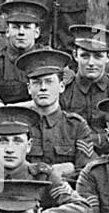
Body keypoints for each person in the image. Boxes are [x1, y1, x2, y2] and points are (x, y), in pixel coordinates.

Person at [23, 49, 94, 183]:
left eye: (49, 81)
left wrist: (58, 175)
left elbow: (87, 172)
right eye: (37, 83)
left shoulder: (76, 126)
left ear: (61, 87)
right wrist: (65, 168)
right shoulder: (20, 125)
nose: (43, 88)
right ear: (29, 88)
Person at [60, 25, 109, 144]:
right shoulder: (63, 91)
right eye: (85, 56)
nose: (91, 63)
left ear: (108, 57)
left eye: (98, 56)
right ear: (75, 55)